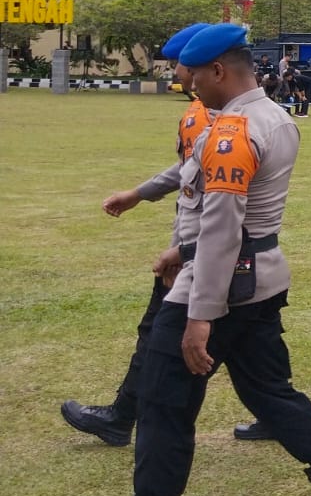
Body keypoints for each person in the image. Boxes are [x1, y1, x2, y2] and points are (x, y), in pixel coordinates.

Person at [82, 24, 311, 496]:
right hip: (260, 276)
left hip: (222, 285)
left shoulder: (233, 132)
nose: (189, 83)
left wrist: (200, 314)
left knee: (163, 401)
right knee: (267, 390)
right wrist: (181, 247)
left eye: (194, 74)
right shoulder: (274, 118)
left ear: (218, 70)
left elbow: (222, 227)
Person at [62, 24, 267, 447]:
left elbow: (210, 191)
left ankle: (122, 417)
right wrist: (140, 193)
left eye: (178, 64)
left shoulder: (212, 112)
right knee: (256, 344)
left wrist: (183, 248)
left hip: (200, 249)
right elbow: (189, 170)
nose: (177, 72)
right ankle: (278, 413)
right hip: (208, 247)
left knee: (160, 334)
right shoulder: (203, 109)